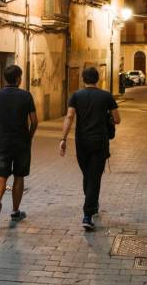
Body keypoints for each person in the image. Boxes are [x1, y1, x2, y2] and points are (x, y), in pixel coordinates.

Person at [60, 67, 120, 231]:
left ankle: (91, 204)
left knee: (87, 175)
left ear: (83, 80)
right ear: (98, 79)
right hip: (99, 142)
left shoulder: (76, 96)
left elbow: (70, 116)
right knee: (94, 178)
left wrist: (63, 139)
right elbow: (117, 119)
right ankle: (88, 214)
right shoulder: (106, 96)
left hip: (82, 143)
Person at [0, 65, 38, 227]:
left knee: (1, 174)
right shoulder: (26, 96)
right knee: (19, 176)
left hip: (4, 141)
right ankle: (15, 211)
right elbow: (34, 121)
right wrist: (29, 137)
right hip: (21, 141)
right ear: (18, 79)